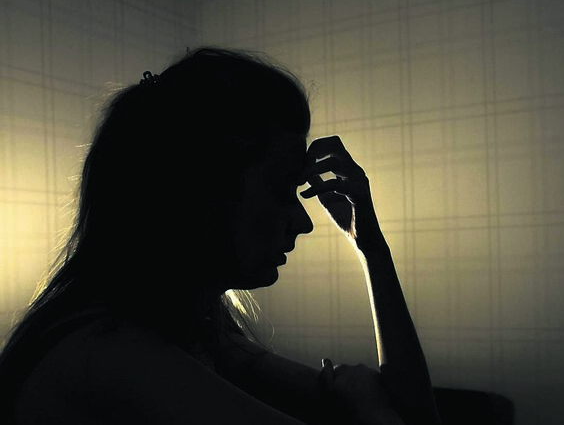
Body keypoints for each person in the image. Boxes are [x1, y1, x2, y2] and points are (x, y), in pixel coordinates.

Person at [0, 48, 441, 425]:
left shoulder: (206, 336)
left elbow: (412, 413)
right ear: (201, 191)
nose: (304, 223)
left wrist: (370, 246)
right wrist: (368, 408)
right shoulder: (111, 356)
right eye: (282, 187)